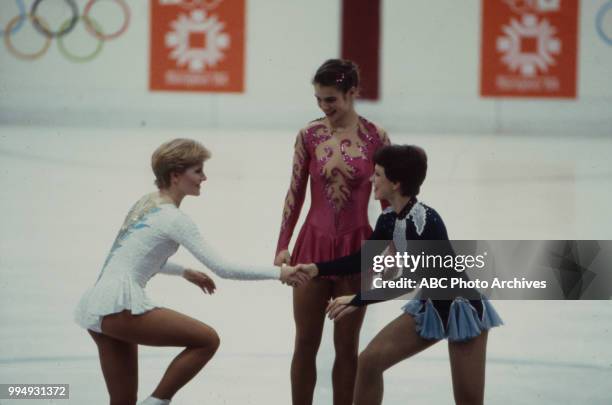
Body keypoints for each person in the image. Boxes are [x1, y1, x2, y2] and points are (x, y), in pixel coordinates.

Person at [74, 139, 305, 405]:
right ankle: (158, 402)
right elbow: (224, 269)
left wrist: (184, 271)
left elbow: (137, 257)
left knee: (122, 401)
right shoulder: (175, 219)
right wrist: (280, 273)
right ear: (175, 175)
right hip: (119, 305)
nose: (204, 178)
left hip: (99, 305)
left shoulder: (147, 202)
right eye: (197, 171)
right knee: (206, 340)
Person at [296, 145, 503, 405]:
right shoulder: (388, 219)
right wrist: (317, 268)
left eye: (378, 174)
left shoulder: (426, 221)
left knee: (469, 402)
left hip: (461, 309)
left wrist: (357, 299)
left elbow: (412, 281)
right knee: (369, 362)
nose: (372, 179)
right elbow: (363, 259)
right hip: (431, 306)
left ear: (396, 183)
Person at [274, 58, 390, 405]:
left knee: (347, 347)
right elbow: (294, 191)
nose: (325, 107)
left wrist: (392, 244)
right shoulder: (308, 135)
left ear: (352, 93)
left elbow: (387, 196)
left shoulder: (376, 137)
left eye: (331, 100)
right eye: (319, 100)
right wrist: (283, 245)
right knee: (305, 342)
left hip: (357, 248)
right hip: (312, 245)